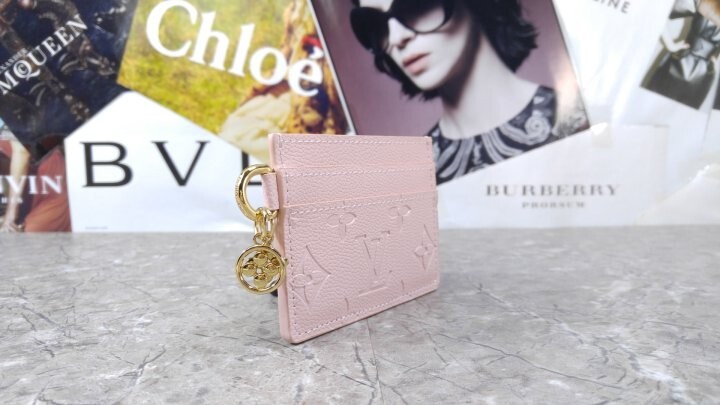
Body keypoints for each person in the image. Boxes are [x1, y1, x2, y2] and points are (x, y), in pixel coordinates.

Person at [350, 0, 588, 184]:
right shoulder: (414, 176)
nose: (396, 38)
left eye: (416, 4)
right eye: (374, 24)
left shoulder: (580, 119)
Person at [643, 0, 720, 109]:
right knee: (648, 106)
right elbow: (657, 12)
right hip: (679, 64)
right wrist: (670, 45)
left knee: (679, 116)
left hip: (704, 75)